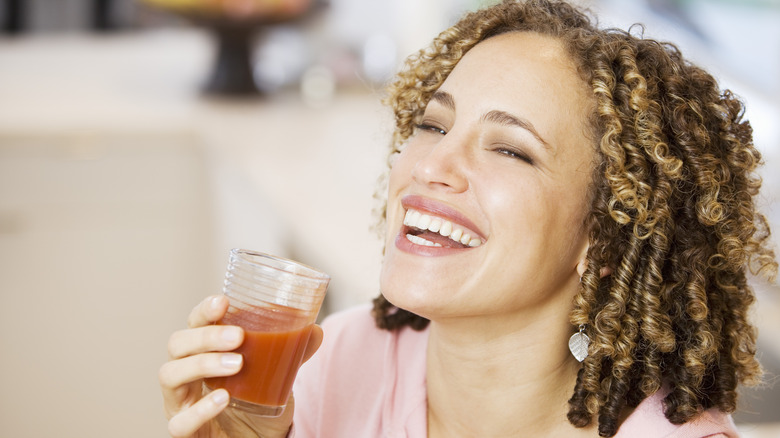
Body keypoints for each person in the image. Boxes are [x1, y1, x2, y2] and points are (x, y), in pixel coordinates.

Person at [159, 0, 778, 436]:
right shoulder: (332, 364)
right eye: (433, 125)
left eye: (510, 149)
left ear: (607, 234)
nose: (434, 165)